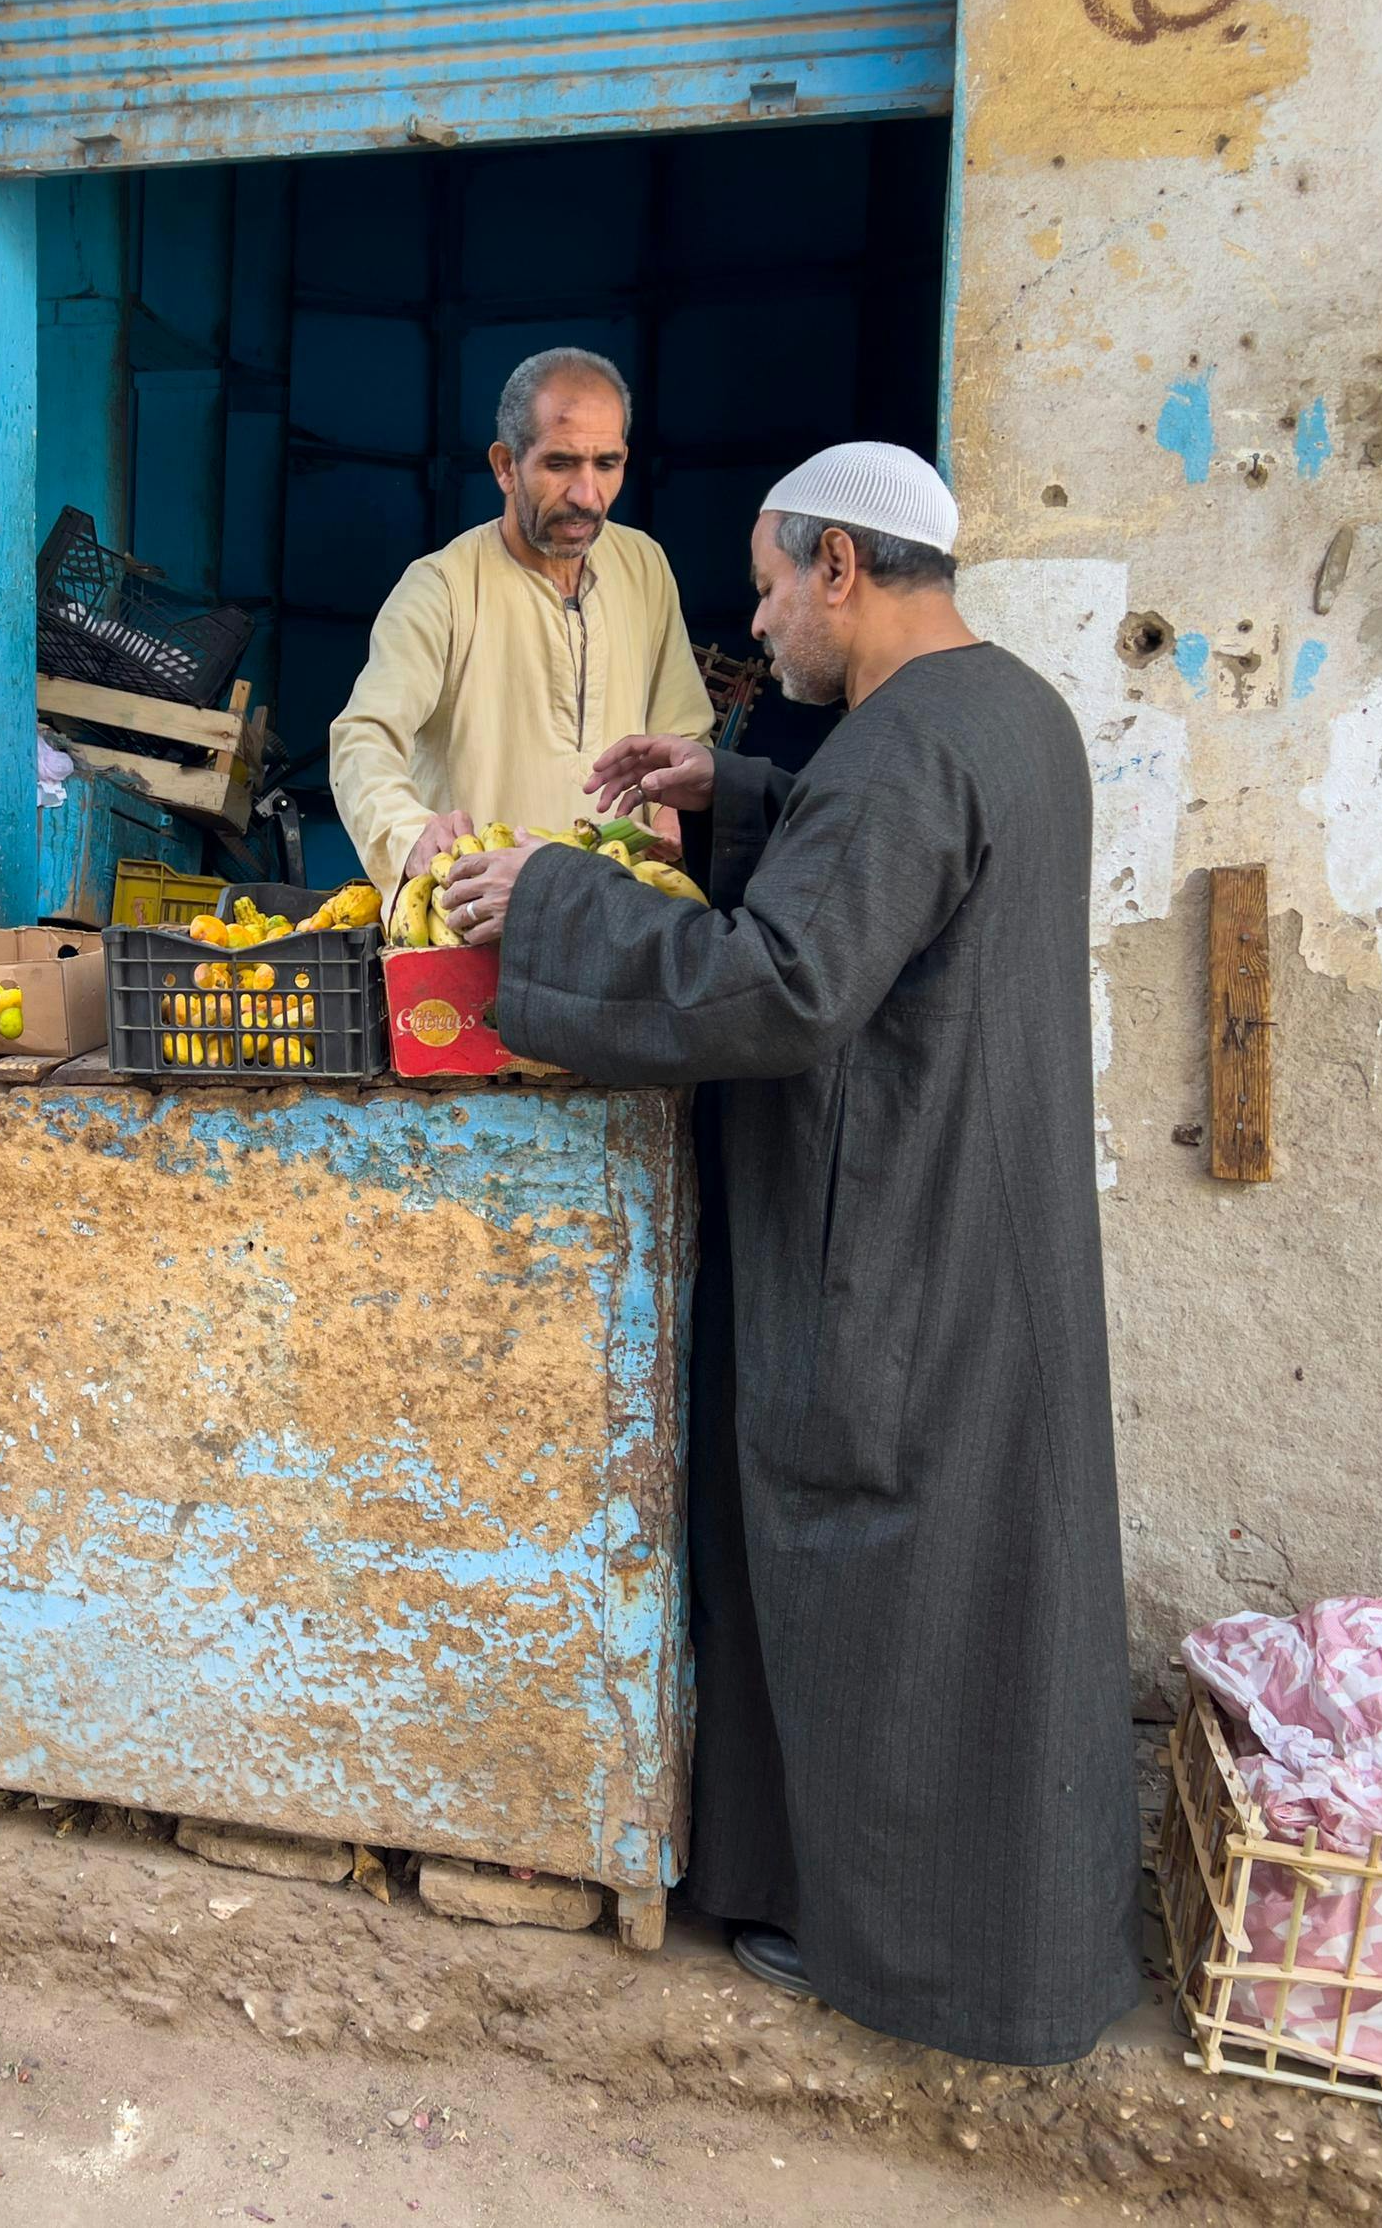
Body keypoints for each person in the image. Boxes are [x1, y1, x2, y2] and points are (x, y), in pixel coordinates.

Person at [440, 443, 1141, 2067]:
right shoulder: (1007, 714)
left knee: (885, 1577)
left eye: (767, 581)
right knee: (963, 1574)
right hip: (981, 1224)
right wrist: (737, 793)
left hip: (896, 1242)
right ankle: (946, 1917)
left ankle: (904, 1952)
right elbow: (873, 880)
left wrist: (551, 898)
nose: (759, 616)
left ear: (841, 567)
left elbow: (785, 984)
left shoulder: (905, 749)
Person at [326, 348, 714, 891]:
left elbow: (680, 725)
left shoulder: (644, 565)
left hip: (618, 911)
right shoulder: (442, 587)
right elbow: (362, 738)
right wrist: (408, 833)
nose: (587, 496)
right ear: (506, 466)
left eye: (607, 464)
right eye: (560, 464)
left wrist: (672, 807)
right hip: (479, 915)